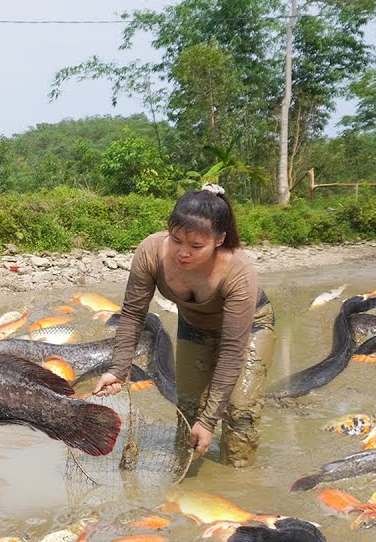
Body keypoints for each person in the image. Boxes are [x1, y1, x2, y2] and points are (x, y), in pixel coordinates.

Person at [93, 183, 275, 468]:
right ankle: (185, 473)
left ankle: (239, 477)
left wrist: (209, 420)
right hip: (195, 328)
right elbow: (133, 314)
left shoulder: (238, 271)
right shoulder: (151, 252)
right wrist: (118, 369)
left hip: (250, 329)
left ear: (219, 240)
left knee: (241, 412)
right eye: (176, 240)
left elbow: (231, 351)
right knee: (188, 409)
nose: (183, 253)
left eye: (196, 246)